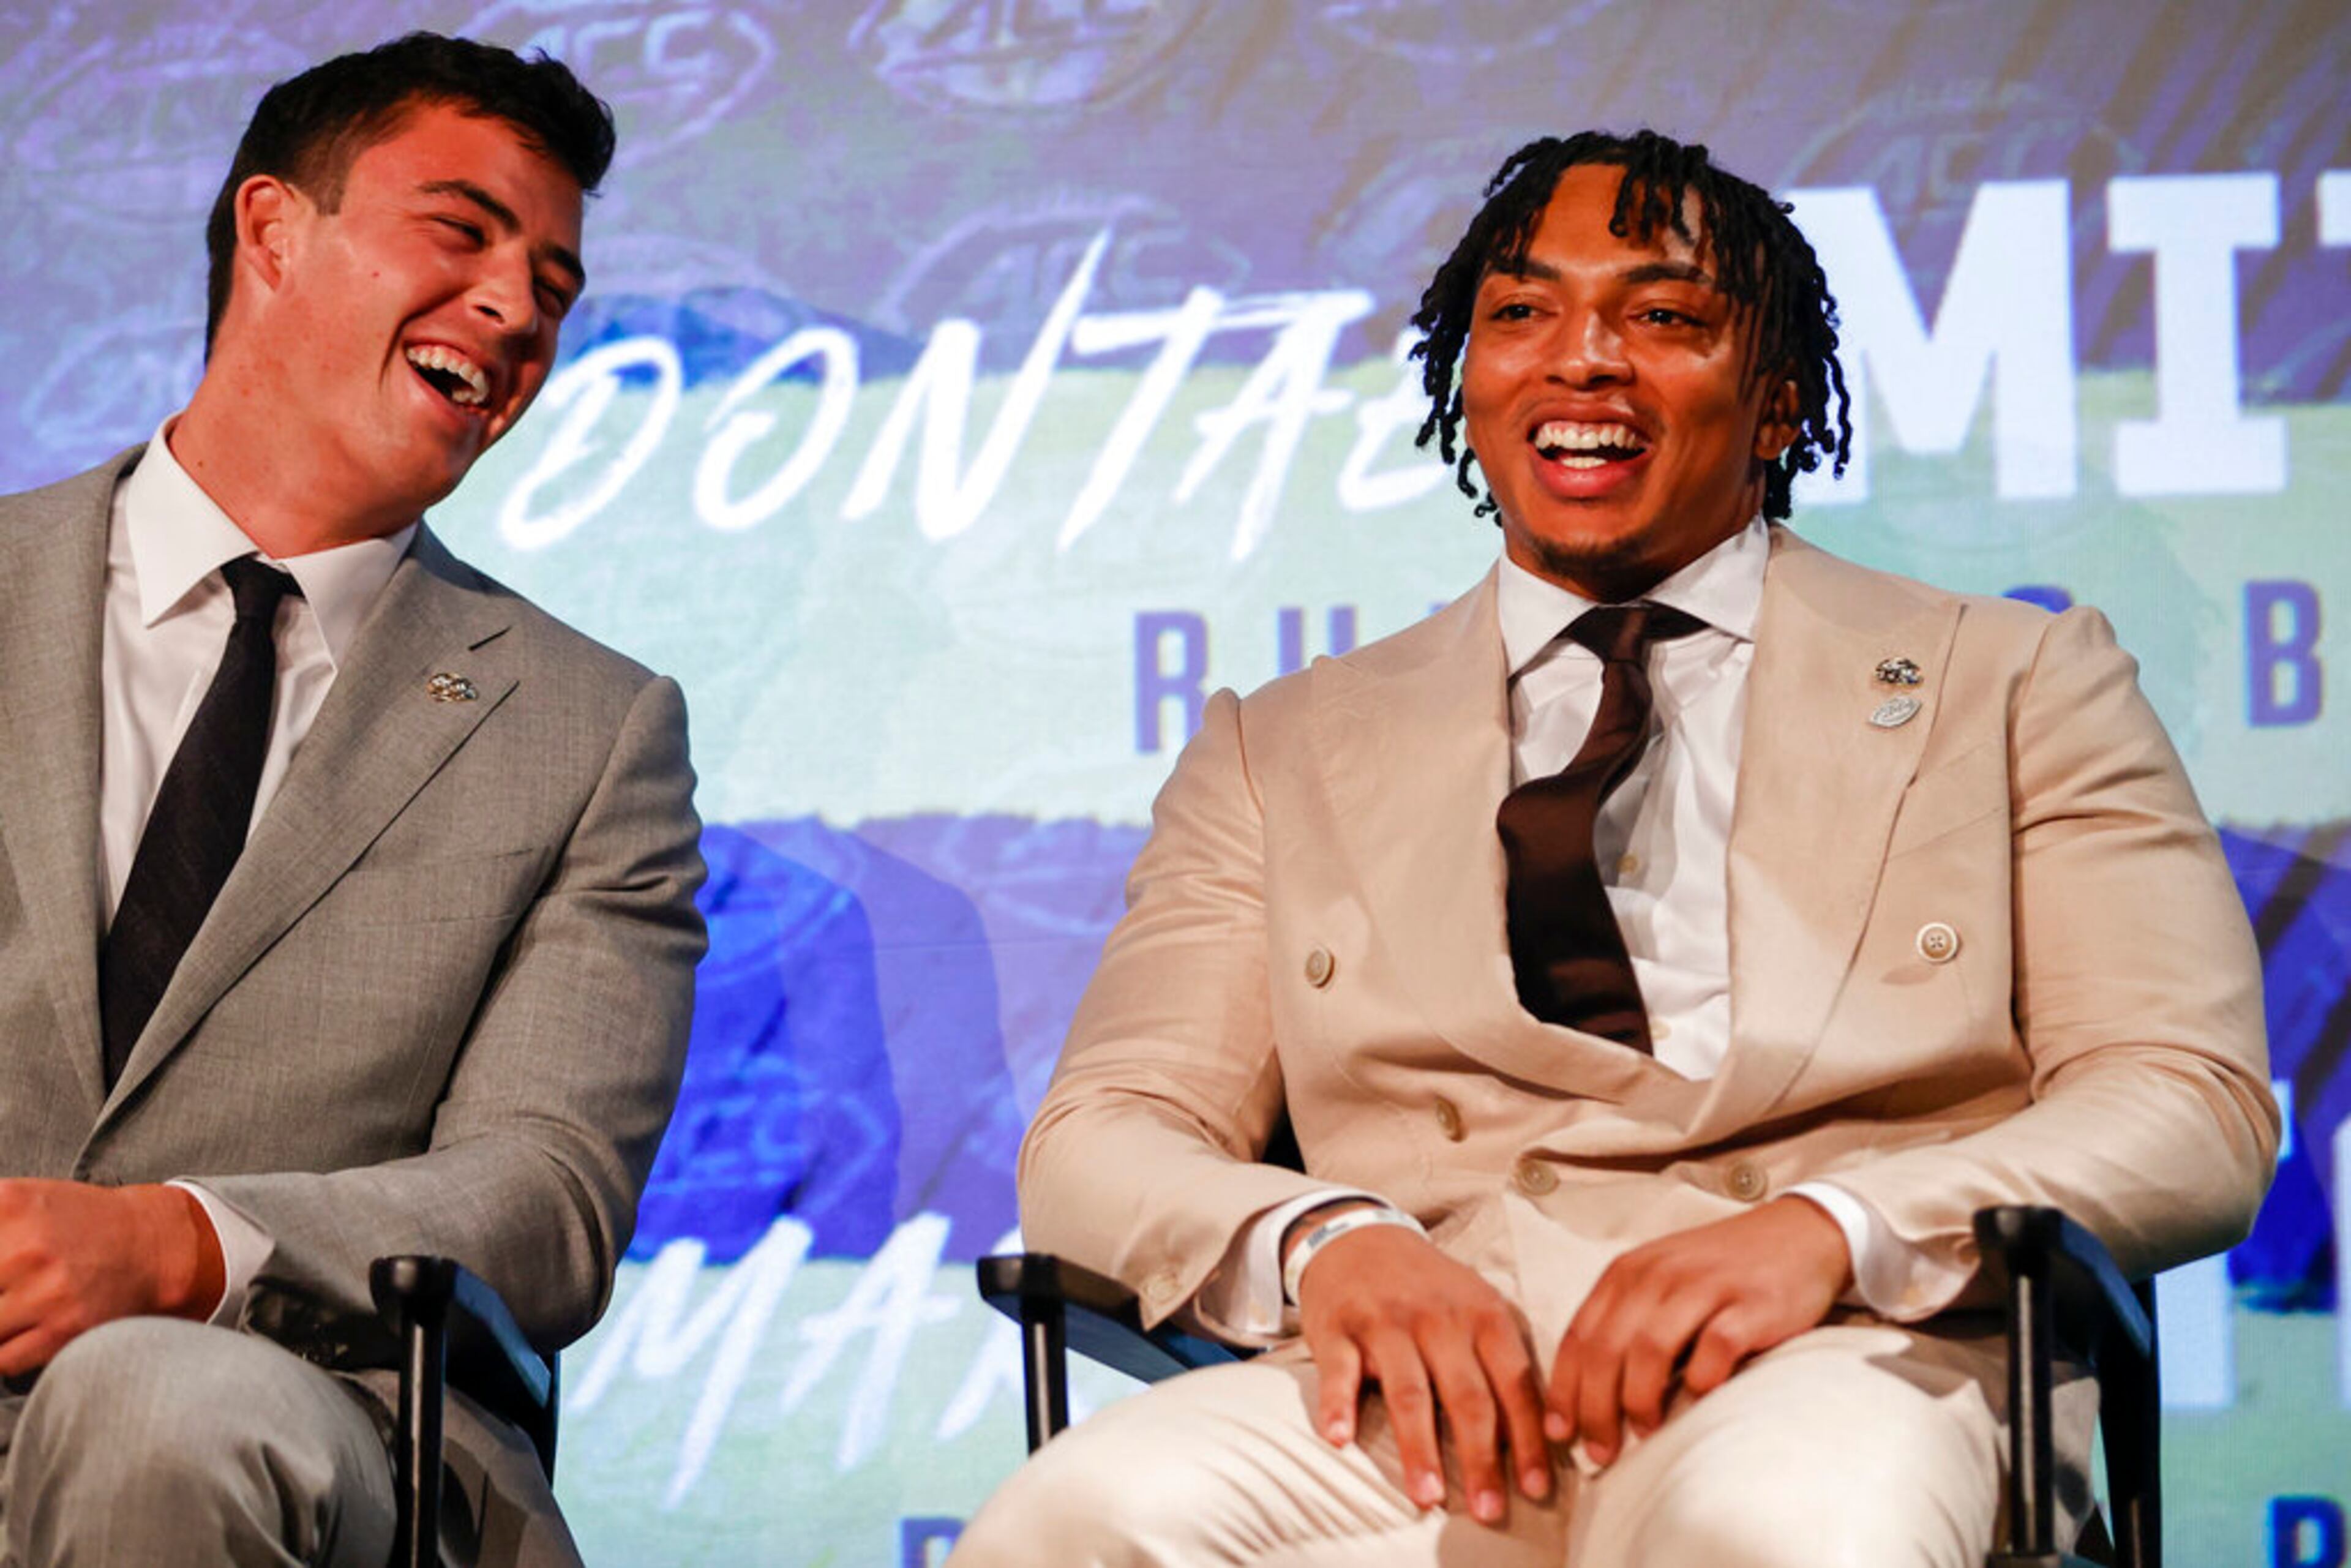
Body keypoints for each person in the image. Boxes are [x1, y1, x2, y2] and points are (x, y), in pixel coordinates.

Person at [951, 129, 2276, 1566]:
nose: (1580, 359)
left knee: (1784, 1528)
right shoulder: (1284, 747)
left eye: (1662, 317)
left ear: (1777, 408)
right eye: (1520, 314)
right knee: (1076, 1518)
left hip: (1854, 1352)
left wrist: (1836, 1226)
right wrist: (1329, 1241)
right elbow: (1101, 1138)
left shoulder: (2012, 683)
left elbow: (2187, 1102)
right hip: (1435, 1388)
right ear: (1471, 384)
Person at [0, 33, 705, 1568]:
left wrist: (189, 1242)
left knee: (152, 1405)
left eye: (556, 287)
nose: (518, 310)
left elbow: (549, 1196)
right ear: (272, 233)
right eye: (461, 233)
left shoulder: (592, 730)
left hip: (327, 1427)